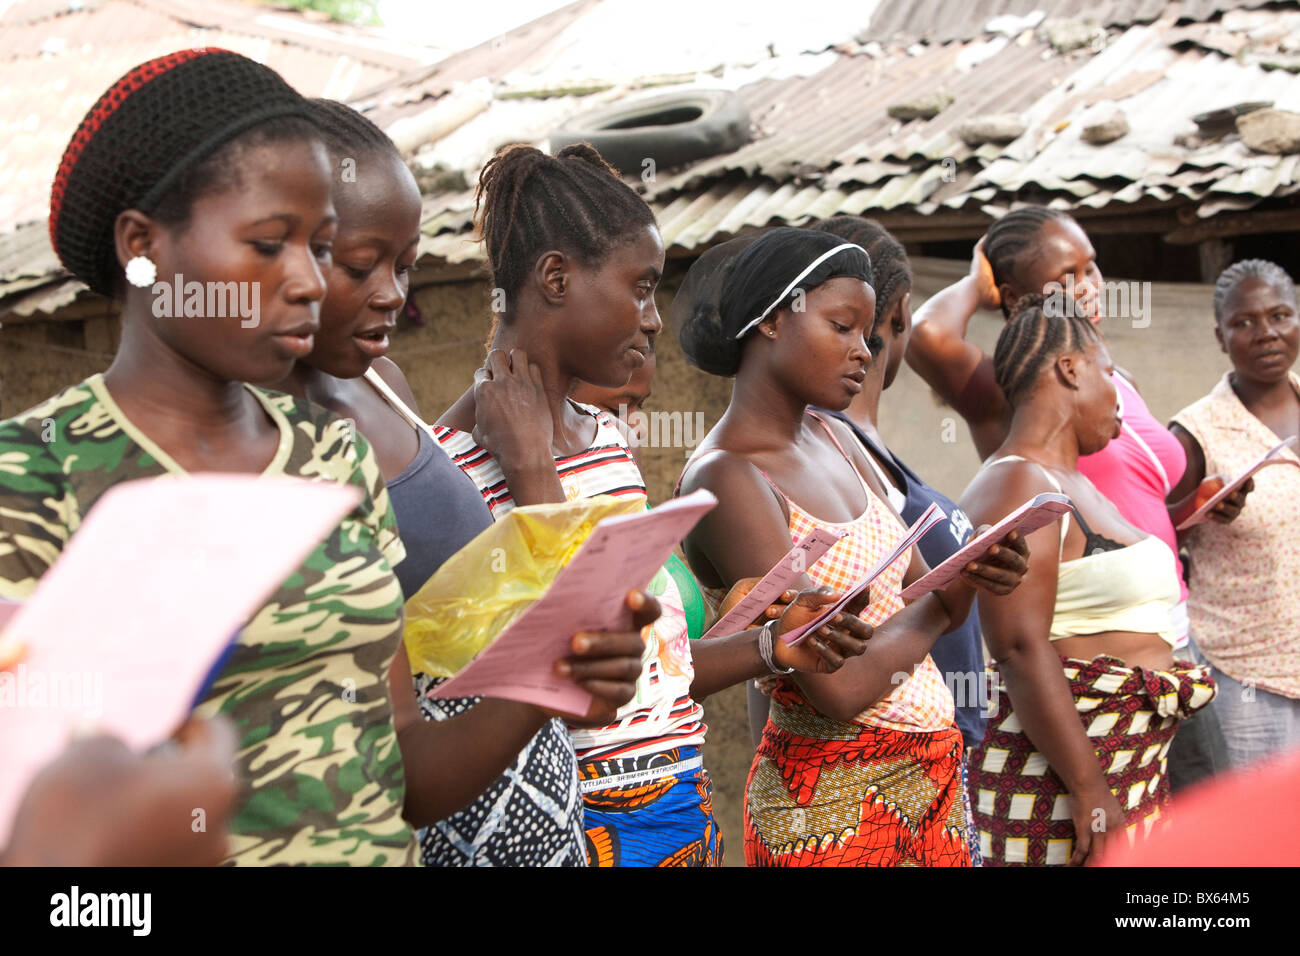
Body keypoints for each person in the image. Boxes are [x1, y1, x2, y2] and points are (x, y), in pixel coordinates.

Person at [0, 50, 650, 866]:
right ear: (143, 249)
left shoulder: (331, 457)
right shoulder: (34, 475)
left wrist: (547, 684)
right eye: (271, 245)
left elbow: (403, 775)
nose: (309, 282)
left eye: (320, 247)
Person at [437, 145, 874, 867]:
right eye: (641, 288)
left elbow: (651, 665)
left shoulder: (606, 441)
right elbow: (574, 657)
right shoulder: (450, 466)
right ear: (555, 278)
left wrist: (769, 648)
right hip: (573, 817)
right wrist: (529, 471)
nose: (653, 322)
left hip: (678, 802)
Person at [272, 100, 651, 867]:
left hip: (536, 795)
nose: (393, 295)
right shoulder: (277, 437)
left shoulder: (383, 383)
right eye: (359, 266)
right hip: (457, 821)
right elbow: (396, 724)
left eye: (404, 267)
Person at [674, 226, 1030, 867]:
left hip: (929, 781)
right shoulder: (729, 476)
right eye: (841, 327)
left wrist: (976, 566)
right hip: (835, 808)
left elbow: (932, 590)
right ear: (773, 322)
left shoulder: (834, 438)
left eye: (868, 333)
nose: (864, 352)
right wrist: (945, 598)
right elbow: (836, 687)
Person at [907, 206, 1242, 792]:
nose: (1089, 287)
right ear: (1012, 294)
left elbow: (1131, 512)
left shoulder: (1113, 383)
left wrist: (1193, 509)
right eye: (1067, 276)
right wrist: (976, 280)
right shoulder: (1012, 395)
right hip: (1100, 662)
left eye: (1093, 268)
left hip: (1170, 631)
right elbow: (927, 334)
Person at [957, 295, 1217, 866]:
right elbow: (1019, 647)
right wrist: (1091, 789)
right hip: (1064, 784)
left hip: (1128, 765)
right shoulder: (1019, 483)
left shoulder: (1081, 486)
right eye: (1110, 375)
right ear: (1070, 368)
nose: (1122, 404)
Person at [811, 215, 988, 865]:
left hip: (935, 762)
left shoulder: (866, 455)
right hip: (876, 786)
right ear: (900, 315)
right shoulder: (817, 453)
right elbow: (797, 657)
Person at [1167, 260, 1300, 769]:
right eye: (1243, 323)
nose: (1265, 333)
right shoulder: (1198, 432)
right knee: (1261, 843)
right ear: (1220, 337)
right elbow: (1151, 528)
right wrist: (1197, 506)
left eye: (1280, 315)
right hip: (1248, 678)